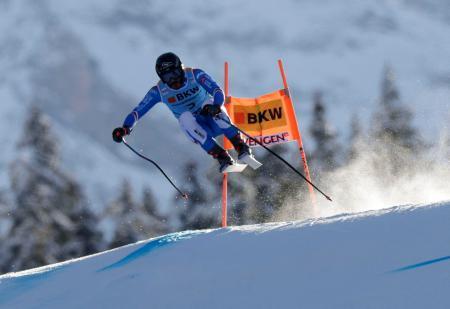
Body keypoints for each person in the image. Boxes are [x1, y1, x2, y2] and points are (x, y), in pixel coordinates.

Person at [112, 52, 258, 173]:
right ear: (162, 78)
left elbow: (217, 90)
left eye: (175, 73)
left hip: (212, 117)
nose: (174, 80)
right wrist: (126, 128)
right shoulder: (159, 91)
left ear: (181, 68)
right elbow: (138, 111)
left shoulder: (195, 75)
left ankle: (240, 146)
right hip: (197, 129)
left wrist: (216, 105)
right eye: (168, 77)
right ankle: (222, 157)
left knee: (209, 103)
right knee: (184, 117)